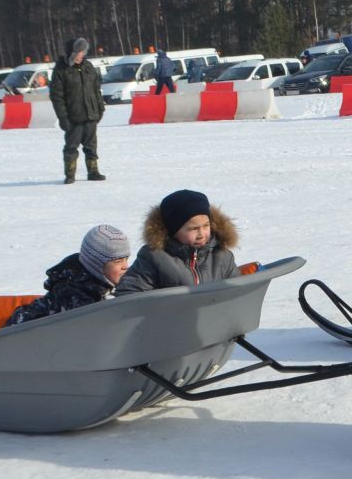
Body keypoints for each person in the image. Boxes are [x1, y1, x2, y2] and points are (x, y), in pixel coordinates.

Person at [115, 189, 239, 294]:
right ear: (173, 231)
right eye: (193, 229)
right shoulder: (155, 258)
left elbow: (236, 293)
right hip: (168, 320)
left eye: (206, 226)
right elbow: (129, 294)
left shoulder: (222, 256)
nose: (201, 234)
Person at [6, 224, 132, 325]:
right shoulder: (74, 296)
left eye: (126, 259)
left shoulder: (103, 284)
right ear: (96, 265)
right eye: (118, 261)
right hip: (20, 336)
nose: (126, 266)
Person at [49, 36, 106, 184]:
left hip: (90, 115)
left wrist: (100, 108)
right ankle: (70, 174)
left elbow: (96, 89)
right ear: (72, 53)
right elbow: (57, 97)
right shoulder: (62, 70)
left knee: (91, 146)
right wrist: (63, 118)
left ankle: (93, 171)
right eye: (80, 52)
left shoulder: (88, 67)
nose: (82, 55)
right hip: (73, 117)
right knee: (71, 147)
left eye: (83, 52)